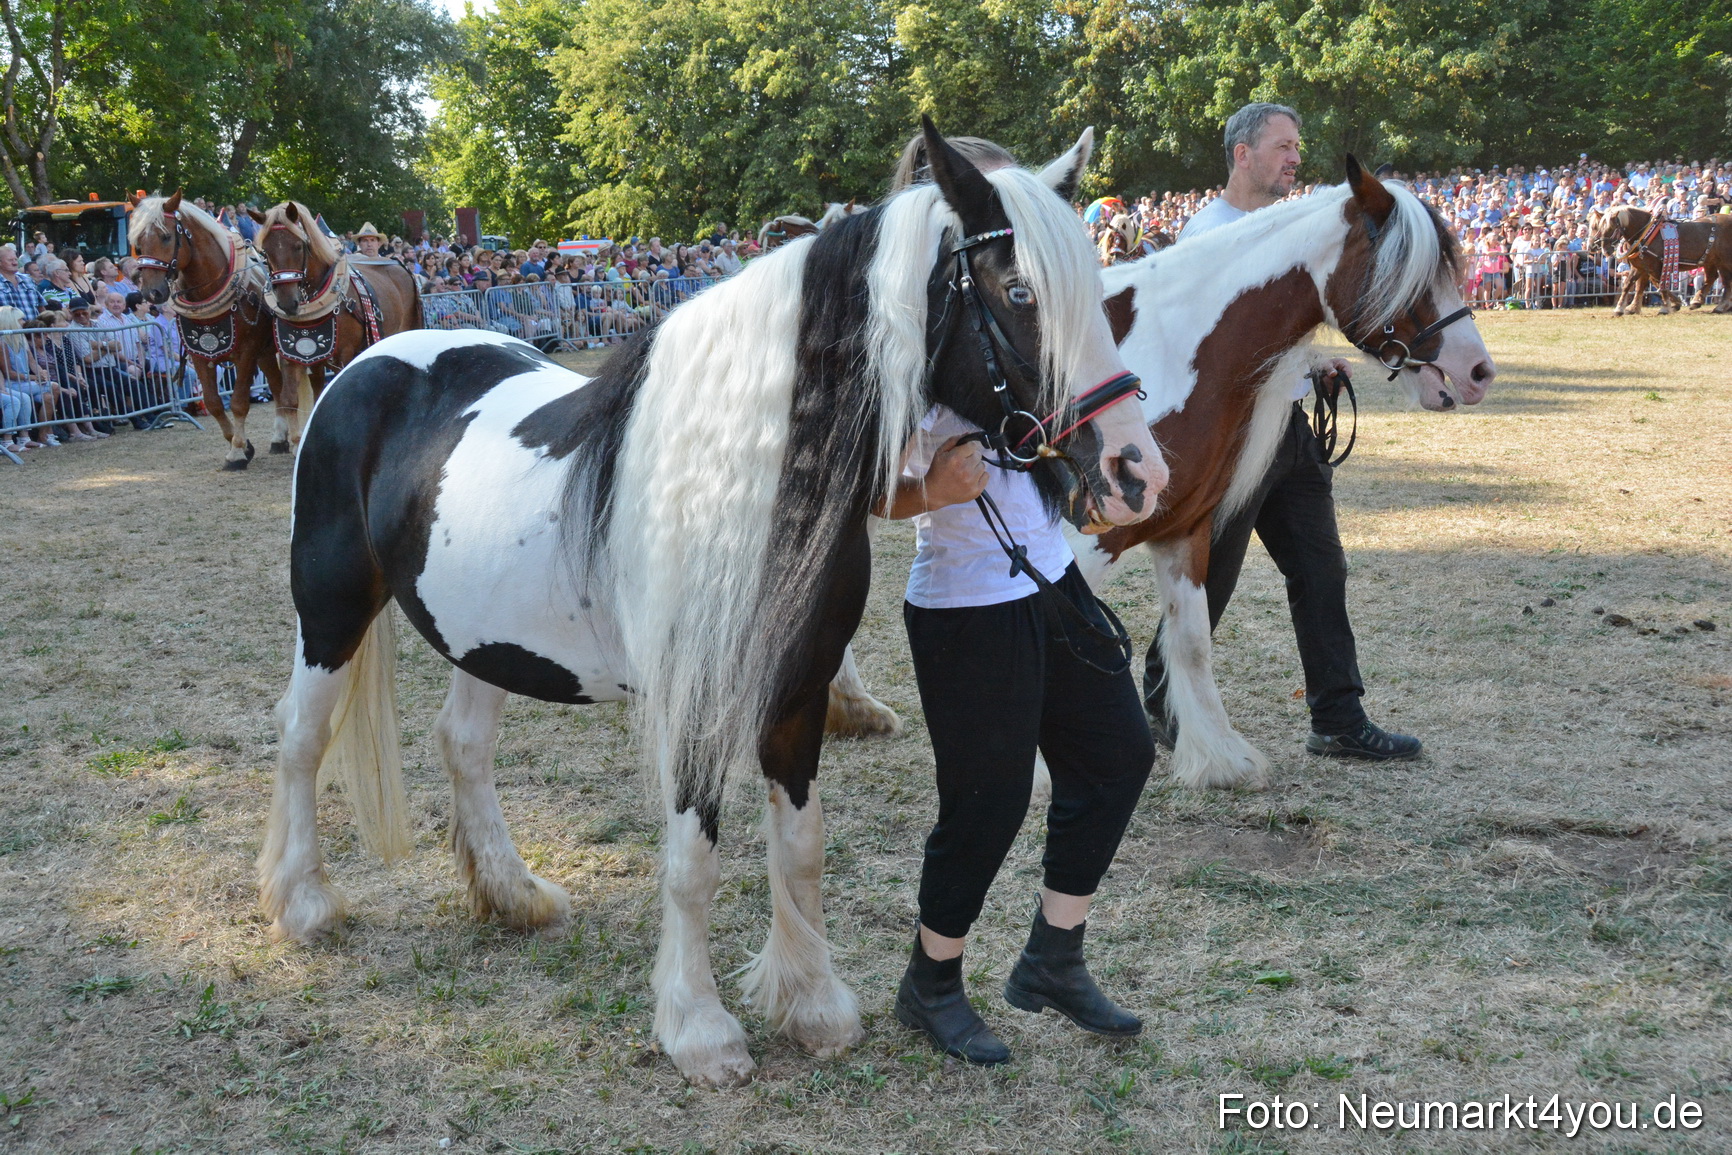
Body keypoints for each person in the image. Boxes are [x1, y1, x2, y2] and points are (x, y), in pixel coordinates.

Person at [881, 130, 1154, 1068]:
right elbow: (872, 489)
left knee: (1118, 753)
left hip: (1052, 583)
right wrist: (932, 490)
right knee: (986, 804)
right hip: (963, 604)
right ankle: (932, 982)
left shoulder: (1024, 323)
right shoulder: (918, 334)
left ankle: (1052, 956)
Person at [1145, 101, 1422, 761]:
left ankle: (1338, 715)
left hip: (1290, 427)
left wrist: (1313, 359)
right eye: (1283, 146)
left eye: (1298, 146)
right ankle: (1161, 699)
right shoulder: (1208, 233)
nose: (1295, 157)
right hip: (1236, 437)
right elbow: (1203, 344)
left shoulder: (1292, 230)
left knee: (1322, 569)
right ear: (1242, 154)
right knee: (1211, 579)